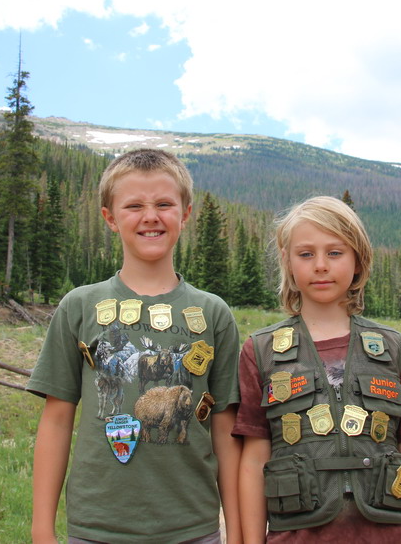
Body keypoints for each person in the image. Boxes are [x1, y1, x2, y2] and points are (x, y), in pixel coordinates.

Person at [28, 148, 242, 544]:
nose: (151, 216)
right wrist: (42, 529)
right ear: (110, 217)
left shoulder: (214, 313)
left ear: (186, 213)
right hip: (96, 528)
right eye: (134, 206)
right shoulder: (79, 306)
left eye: (164, 204)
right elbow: (57, 420)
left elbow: (225, 429)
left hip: (192, 527)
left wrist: (239, 532)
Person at [235, 196, 401, 543]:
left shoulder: (392, 347)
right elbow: (254, 459)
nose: (320, 265)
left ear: (358, 260)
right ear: (287, 262)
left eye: (335, 252)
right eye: (305, 254)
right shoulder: (261, 350)